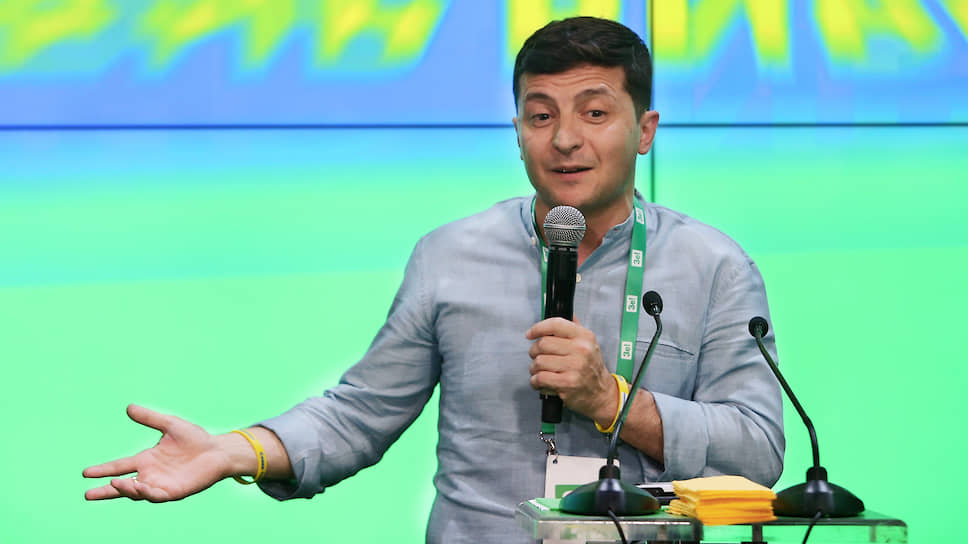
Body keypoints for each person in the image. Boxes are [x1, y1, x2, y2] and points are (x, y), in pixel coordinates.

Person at [83, 16, 783, 543]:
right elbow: (358, 414)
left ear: (645, 130)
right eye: (541, 115)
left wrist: (614, 400)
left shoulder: (714, 267)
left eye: (595, 113)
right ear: (518, 131)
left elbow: (758, 450)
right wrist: (232, 451)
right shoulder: (450, 256)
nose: (565, 138)